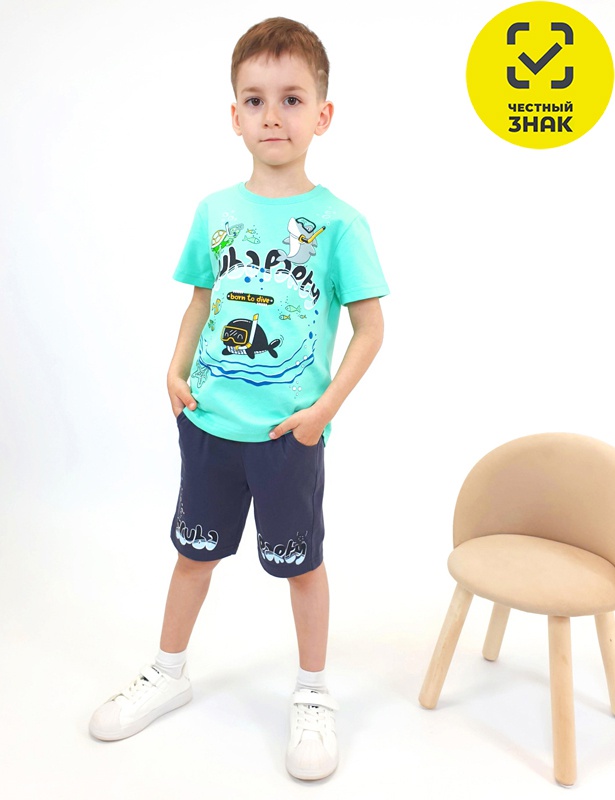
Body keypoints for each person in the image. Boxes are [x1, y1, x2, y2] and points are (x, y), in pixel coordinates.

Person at [89, 17, 389, 781]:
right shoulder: (214, 211)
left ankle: (313, 692)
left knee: (299, 565)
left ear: (322, 113)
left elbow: (370, 330)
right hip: (210, 427)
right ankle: (168, 671)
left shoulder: (339, 224)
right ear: (234, 115)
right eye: (255, 100)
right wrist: (174, 370)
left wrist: (322, 414)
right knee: (193, 555)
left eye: (291, 99)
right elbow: (200, 300)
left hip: (289, 434)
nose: (272, 116)